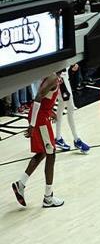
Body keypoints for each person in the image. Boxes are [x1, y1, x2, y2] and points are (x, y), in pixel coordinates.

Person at [11, 73, 64, 208]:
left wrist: (50, 111)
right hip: (40, 119)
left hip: (43, 115)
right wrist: (32, 125)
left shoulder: (55, 76)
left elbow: (45, 98)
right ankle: (48, 198)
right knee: (51, 154)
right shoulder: (53, 77)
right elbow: (38, 97)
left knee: (43, 152)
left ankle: (21, 184)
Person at [55, 67, 90, 153]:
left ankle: (58, 138)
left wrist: (72, 65)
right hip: (61, 81)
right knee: (70, 110)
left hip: (63, 79)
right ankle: (76, 140)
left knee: (61, 108)